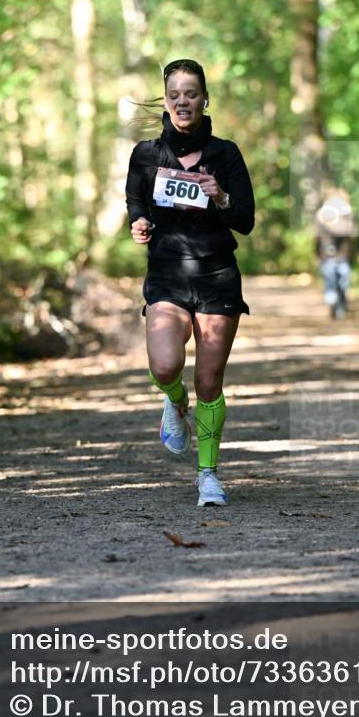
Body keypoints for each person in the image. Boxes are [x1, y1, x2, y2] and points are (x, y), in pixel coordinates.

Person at [125, 58, 255, 507]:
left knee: (210, 382)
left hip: (217, 276)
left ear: (204, 99)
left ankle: (208, 476)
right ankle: (173, 402)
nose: (183, 101)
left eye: (191, 93)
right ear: (166, 100)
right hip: (166, 273)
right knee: (164, 366)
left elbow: (246, 221)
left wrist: (220, 195)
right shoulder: (147, 154)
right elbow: (135, 200)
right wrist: (139, 222)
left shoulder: (226, 153)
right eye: (175, 94)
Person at [314, 187, 359, 319]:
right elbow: (318, 237)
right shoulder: (328, 215)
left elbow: (356, 235)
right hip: (336, 256)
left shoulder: (342, 215)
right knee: (338, 282)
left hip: (336, 255)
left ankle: (337, 304)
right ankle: (337, 306)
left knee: (337, 282)